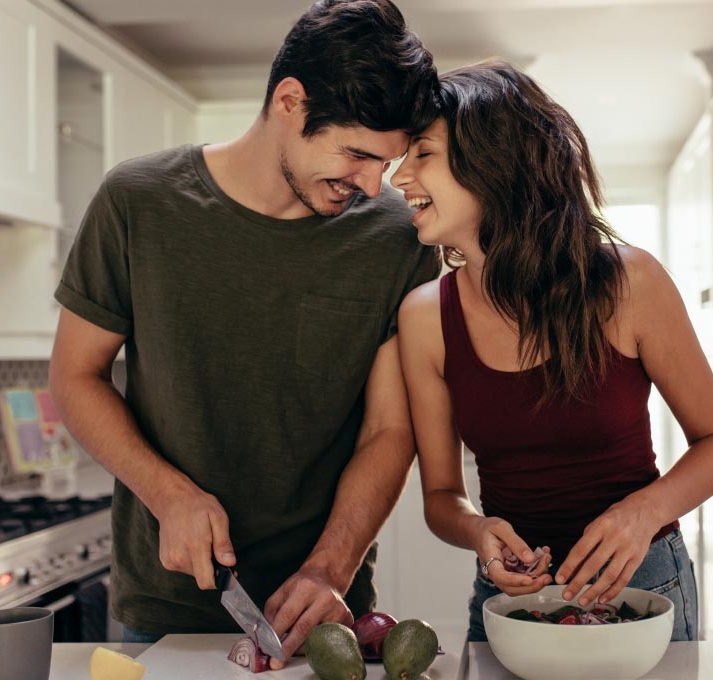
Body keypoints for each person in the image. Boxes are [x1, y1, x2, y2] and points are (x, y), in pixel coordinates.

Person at [48, 0, 440, 666]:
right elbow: (74, 376)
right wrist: (168, 494)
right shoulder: (137, 202)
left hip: (322, 611)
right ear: (289, 102)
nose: (376, 184)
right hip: (164, 609)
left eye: (388, 161)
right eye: (357, 154)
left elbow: (388, 430)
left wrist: (332, 568)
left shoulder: (394, 239)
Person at [392, 61, 713, 642]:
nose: (399, 177)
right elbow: (441, 495)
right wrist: (478, 531)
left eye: (422, 154)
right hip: (509, 602)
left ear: (492, 162)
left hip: (645, 586)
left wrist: (643, 514)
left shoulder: (630, 283)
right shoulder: (425, 317)